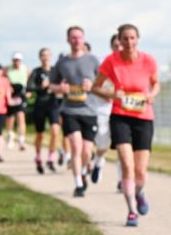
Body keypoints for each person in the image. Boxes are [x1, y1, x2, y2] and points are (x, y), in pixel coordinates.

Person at [93, 24, 160, 226]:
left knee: (140, 171)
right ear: (119, 41)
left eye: (132, 38)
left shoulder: (148, 60)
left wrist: (151, 95)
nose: (129, 42)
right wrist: (113, 94)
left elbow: (156, 83)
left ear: (137, 39)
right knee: (127, 165)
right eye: (125, 39)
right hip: (120, 116)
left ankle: (139, 193)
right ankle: (131, 211)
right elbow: (96, 87)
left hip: (144, 117)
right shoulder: (111, 61)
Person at [51, 26, 100, 197]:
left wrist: (92, 86)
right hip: (69, 110)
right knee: (75, 146)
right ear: (68, 40)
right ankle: (78, 184)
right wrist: (60, 87)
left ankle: (85, 172)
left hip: (90, 110)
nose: (76, 40)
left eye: (79, 37)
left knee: (87, 151)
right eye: (73, 37)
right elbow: (51, 85)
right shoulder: (62, 62)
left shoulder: (93, 60)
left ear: (84, 39)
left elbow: (106, 84)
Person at [90, 35, 120, 186]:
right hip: (103, 109)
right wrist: (108, 94)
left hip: (122, 111)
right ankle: (98, 161)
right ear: (111, 46)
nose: (119, 48)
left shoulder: (131, 63)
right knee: (102, 143)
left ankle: (122, 180)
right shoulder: (102, 62)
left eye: (121, 45)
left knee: (123, 145)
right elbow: (94, 85)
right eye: (116, 45)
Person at [28, 47, 62, 174]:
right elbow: (29, 87)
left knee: (55, 131)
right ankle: (37, 157)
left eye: (47, 55)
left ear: (51, 56)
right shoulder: (36, 72)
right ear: (40, 57)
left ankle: (51, 157)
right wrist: (40, 86)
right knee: (40, 134)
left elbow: (61, 86)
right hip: (40, 104)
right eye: (43, 55)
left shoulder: (55, 71)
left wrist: (55, 88)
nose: (45, 57)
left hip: (53, 104)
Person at [5, 52, 29, 150]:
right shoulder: (7, 69)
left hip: (21, 94)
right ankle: (10, 135)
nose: (16, 62)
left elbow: (29, 82)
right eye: (15, 60)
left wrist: (29, 91)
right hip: (11, 93)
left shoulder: (25, 69)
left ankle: (21, 140)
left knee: (21, 116)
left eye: (18, 60)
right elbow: (4, 80)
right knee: (10, 118)